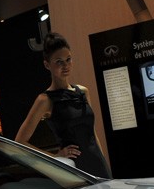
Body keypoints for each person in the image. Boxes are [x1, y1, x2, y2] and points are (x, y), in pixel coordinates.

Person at [15, 32, 112, 178]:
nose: (66, 65)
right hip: (74, 169)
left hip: (98, 163)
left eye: (68, 59)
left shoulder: (83, 91)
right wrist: (55, 157)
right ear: (47, 65)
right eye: (59, 62)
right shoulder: (45, 100)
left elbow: (92, 133)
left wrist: (103, 160)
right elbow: (20, 142)